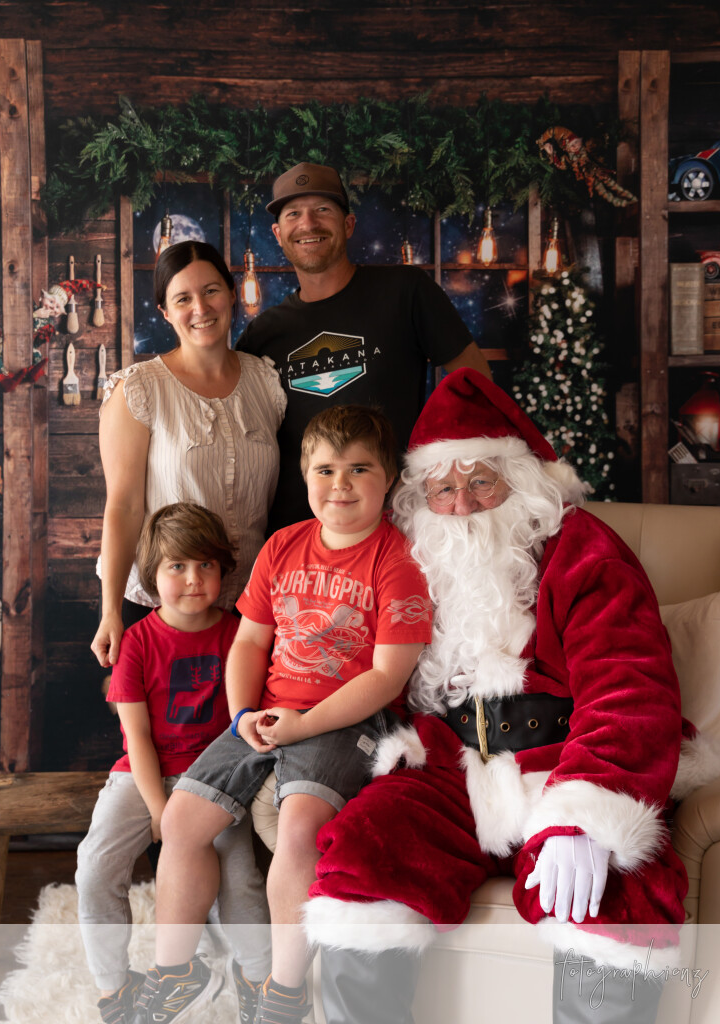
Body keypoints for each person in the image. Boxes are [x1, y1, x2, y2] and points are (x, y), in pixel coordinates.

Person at [303, 370, 720, 1024]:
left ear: (521, 481)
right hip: (450, 769)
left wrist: (586, 810)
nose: (462, 505)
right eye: (443, 488)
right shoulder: (408, 560)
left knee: (615, 893)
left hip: (563, 763)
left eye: (480, 481)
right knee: (365, 853)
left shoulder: (585, 552)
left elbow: (629, 685)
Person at [130, 406, 433, 1024]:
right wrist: (242, 713)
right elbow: (249, 642)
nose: (340, 484)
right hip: (267, 712)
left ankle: (284, 990)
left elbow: (387, 677)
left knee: (298, 831)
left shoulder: (398, 561)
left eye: (359, 469)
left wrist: (305, 725)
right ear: (304, 474)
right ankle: (176, 969)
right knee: (182, 819)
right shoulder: (283, 546)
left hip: (349, 719)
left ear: (389, 478)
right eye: (325, 470)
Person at [76, 502, 271, 1024]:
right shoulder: (137, 643)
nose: (193, 579)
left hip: (217, 776)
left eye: (206, 565)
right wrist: (161, 811)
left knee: (240, 878)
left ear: (223, 569)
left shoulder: (239, 635)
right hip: (144, 774)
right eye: (177, 566)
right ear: (152, 575)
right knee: (95, 866)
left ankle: (261, 984)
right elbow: (137, 737)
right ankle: (116, 990)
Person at [235, 161, 492, 531]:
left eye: (322, 209)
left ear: (349, 224)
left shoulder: (405, 292)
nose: (308, 224)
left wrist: (444, 472)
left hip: (398, 524)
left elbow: (477, 385)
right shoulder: (263, 333)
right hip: (300, 533)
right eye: (294, 214)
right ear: (278, 233)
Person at [92, 240, 286, 668]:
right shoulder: (138, 390)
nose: (201, 307)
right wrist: (110, 611)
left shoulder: (266, 382)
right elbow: (123, 507)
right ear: (165, 311)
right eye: (183, 298)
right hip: (163, 608)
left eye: (211, 290)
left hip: (251, 610)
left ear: (232, 294)